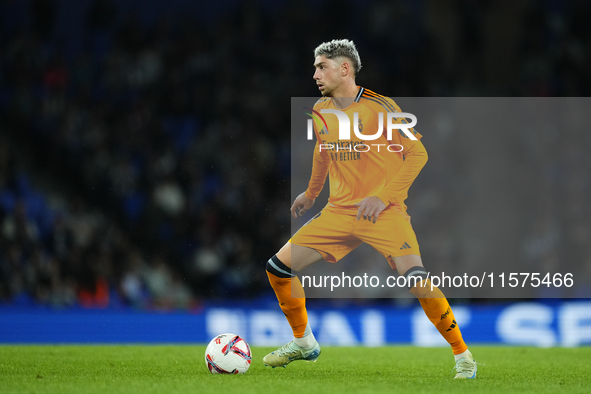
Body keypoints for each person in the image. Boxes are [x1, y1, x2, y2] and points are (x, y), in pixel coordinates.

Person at [263, 39, 477, 379]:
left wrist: (384, 195)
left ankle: (463, 356)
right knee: (278, 269)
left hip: (384, 213)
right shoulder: (320, 110)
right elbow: (323, 151)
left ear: (344, 69)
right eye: (315, 67)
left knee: (419, 282)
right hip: (337, 212)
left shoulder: (381, 107)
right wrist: (311, 192)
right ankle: (303, 342)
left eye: (322, 66)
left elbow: (418, 154)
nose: (315, 73)